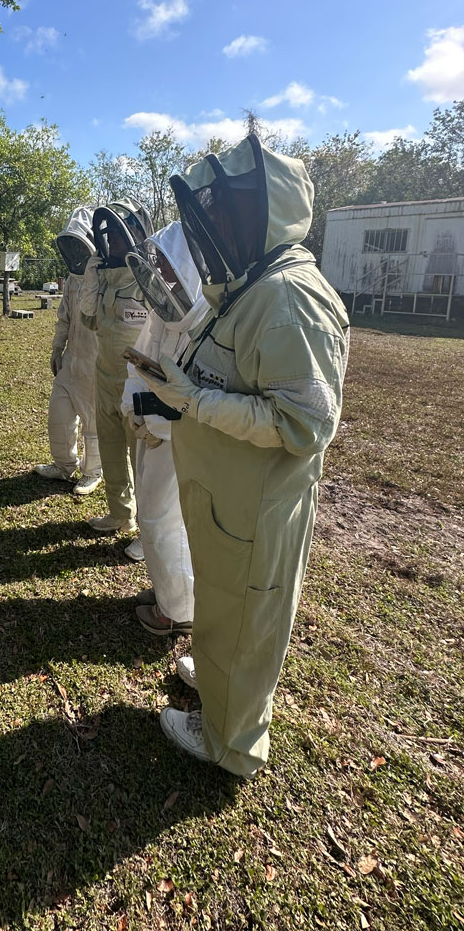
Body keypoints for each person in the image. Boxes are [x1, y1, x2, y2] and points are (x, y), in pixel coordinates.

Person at [134, 133, 349, 776]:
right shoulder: (257, 283)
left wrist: (194, 400)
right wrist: (180, 393)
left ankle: (229, 745)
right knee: (227, 605)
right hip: (228, 499)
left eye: (226, 211)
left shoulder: (290, 297)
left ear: (263, 212)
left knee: (249, 613)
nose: (215, 226)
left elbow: (305, 423)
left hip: (254, 509)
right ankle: (217, 680)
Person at [121, 221, 208, 634]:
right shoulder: (163, 312)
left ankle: (178, 611)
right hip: (153, 433)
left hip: (181, 440)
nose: (164, 280)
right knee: (156, 519)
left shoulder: (209, 321)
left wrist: (159, 424)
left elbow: (201, 396)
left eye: (172, 272)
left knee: (164, 521)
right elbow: (138, 357)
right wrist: (133, 411)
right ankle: (168, 593)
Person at [80, 199, 154, 554]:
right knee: (110, 451)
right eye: (109, 235)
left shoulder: (149, 280)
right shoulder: (107, 277)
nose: (113, 241)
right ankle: (120, 514)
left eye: (121, 233)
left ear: (137, 234)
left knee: (144, 461)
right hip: (104, 377)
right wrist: (92, 281)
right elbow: (89, 320)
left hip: (137, 385)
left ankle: (149, 533)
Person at [33, 207, 103, 495]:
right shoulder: (74, 279)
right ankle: (64, 466)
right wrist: (56, 349)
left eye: (79, 243)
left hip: (96, 364)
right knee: (59, 417)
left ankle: (93, 472)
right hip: (70, 362)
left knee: (93, 423)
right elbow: (64, 317)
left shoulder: (104, 279)